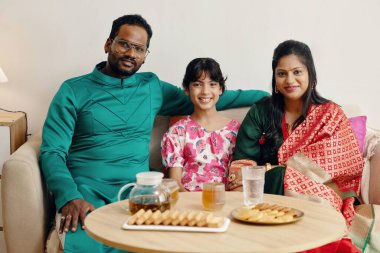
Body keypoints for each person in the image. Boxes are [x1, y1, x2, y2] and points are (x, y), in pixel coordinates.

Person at [39, 15, 268, 252]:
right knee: (90, 243)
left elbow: (204, 97)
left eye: (139, 49)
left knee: (156, 242)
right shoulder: (72, 91)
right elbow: (52, 152)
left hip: (139, 191)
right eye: (124, 44)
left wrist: (269, 96)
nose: (131, 53)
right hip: (86, 191)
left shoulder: (151, 87)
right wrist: (68, 197)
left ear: (145, 55)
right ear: (108, 44)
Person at [228, 40, 364, 252]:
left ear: (310, 73)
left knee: (281, 177)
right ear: (274, 77)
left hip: (320, 197)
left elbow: (340, 168)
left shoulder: (330, 114)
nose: (289, 80)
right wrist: (242, 199)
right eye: (282, 73)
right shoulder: (261, 112)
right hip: (267, 199)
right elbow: (242, 162)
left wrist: (279, 174)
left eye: (297, 72)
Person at [161, 58, 240, 192]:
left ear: (220, 88)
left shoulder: (235, 130)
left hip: (224, 201)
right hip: (188, 202)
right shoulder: (177, 131)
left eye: (212, 84)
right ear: (187, 89)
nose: (205, 91)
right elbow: (175, 182)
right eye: (197, 84)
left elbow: (238, 180)